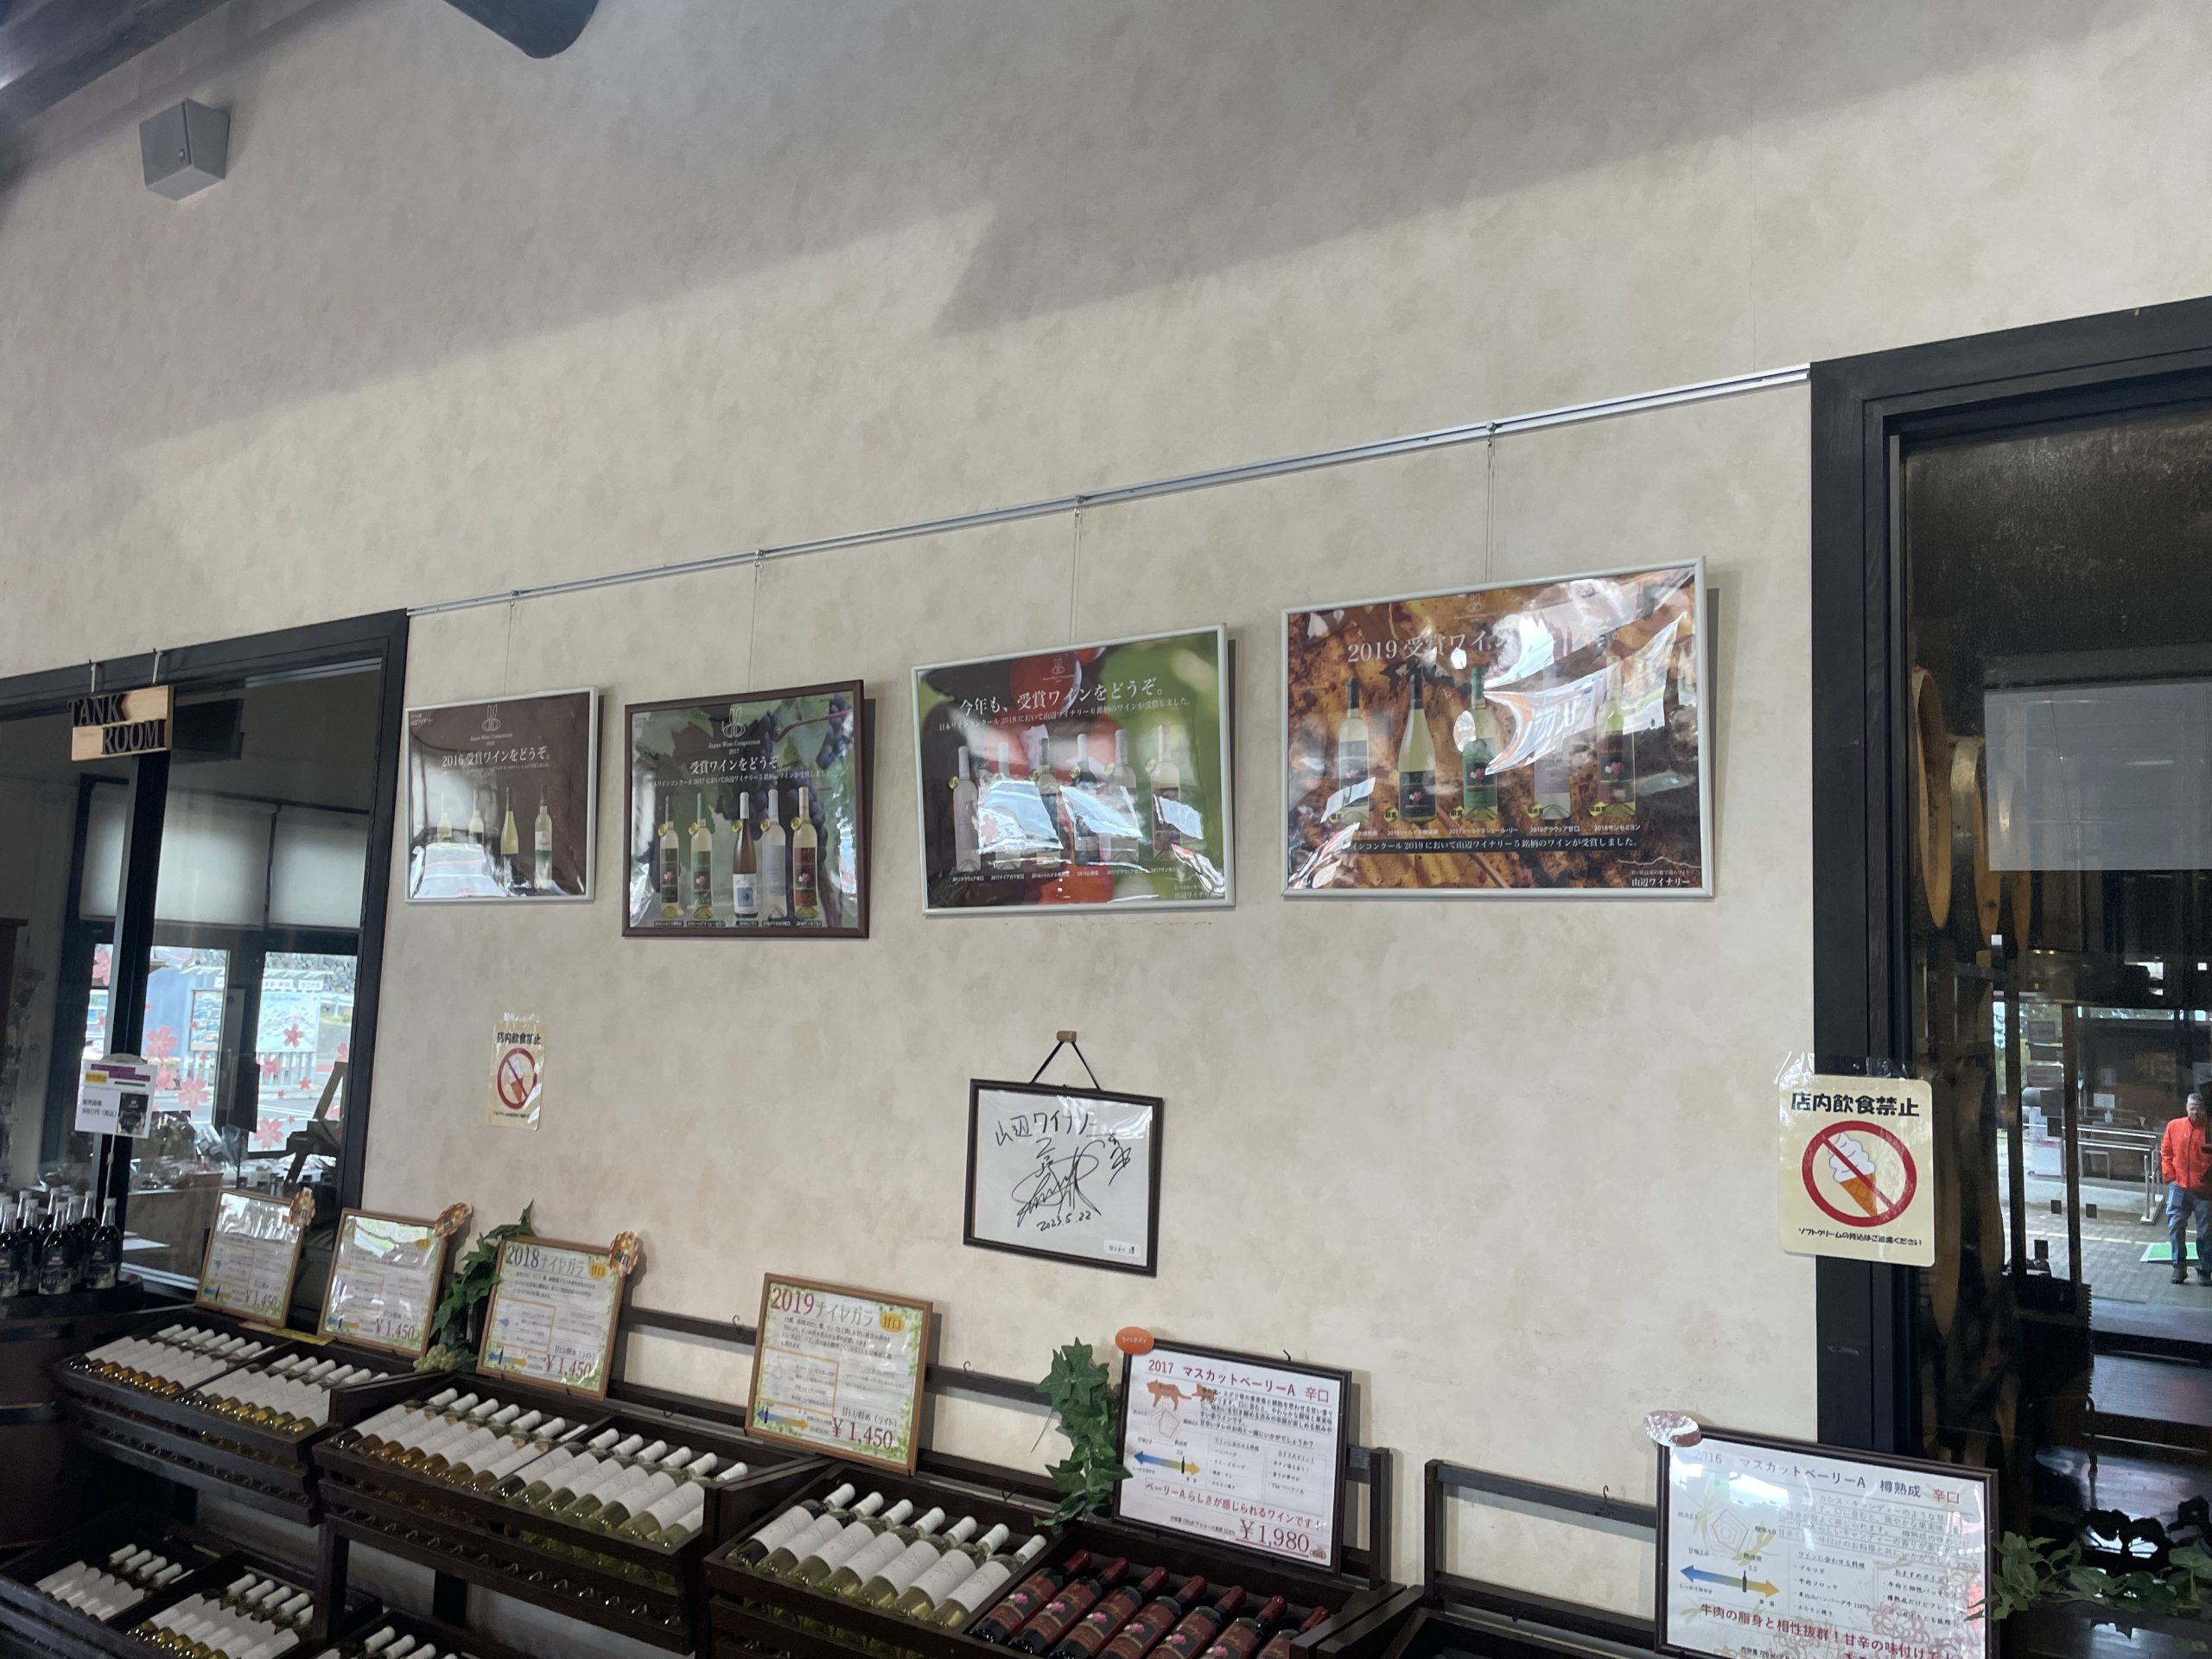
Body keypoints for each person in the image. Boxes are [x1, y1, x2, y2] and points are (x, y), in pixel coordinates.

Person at [2161, 1090, 2212, 1285]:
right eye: (2192, 1108)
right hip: (2179, 1187)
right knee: (2175, 1226)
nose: (2195, 1113)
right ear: (2186, 1108)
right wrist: (2170, 1177)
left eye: (2198, 1109)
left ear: (2204, 1109)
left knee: (2206, 1232)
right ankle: (2179, 1267)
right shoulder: (2174, 1126)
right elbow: (2166, 1152)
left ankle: (2205, 1270)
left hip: (2205, 1191)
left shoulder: (2209, 1129)